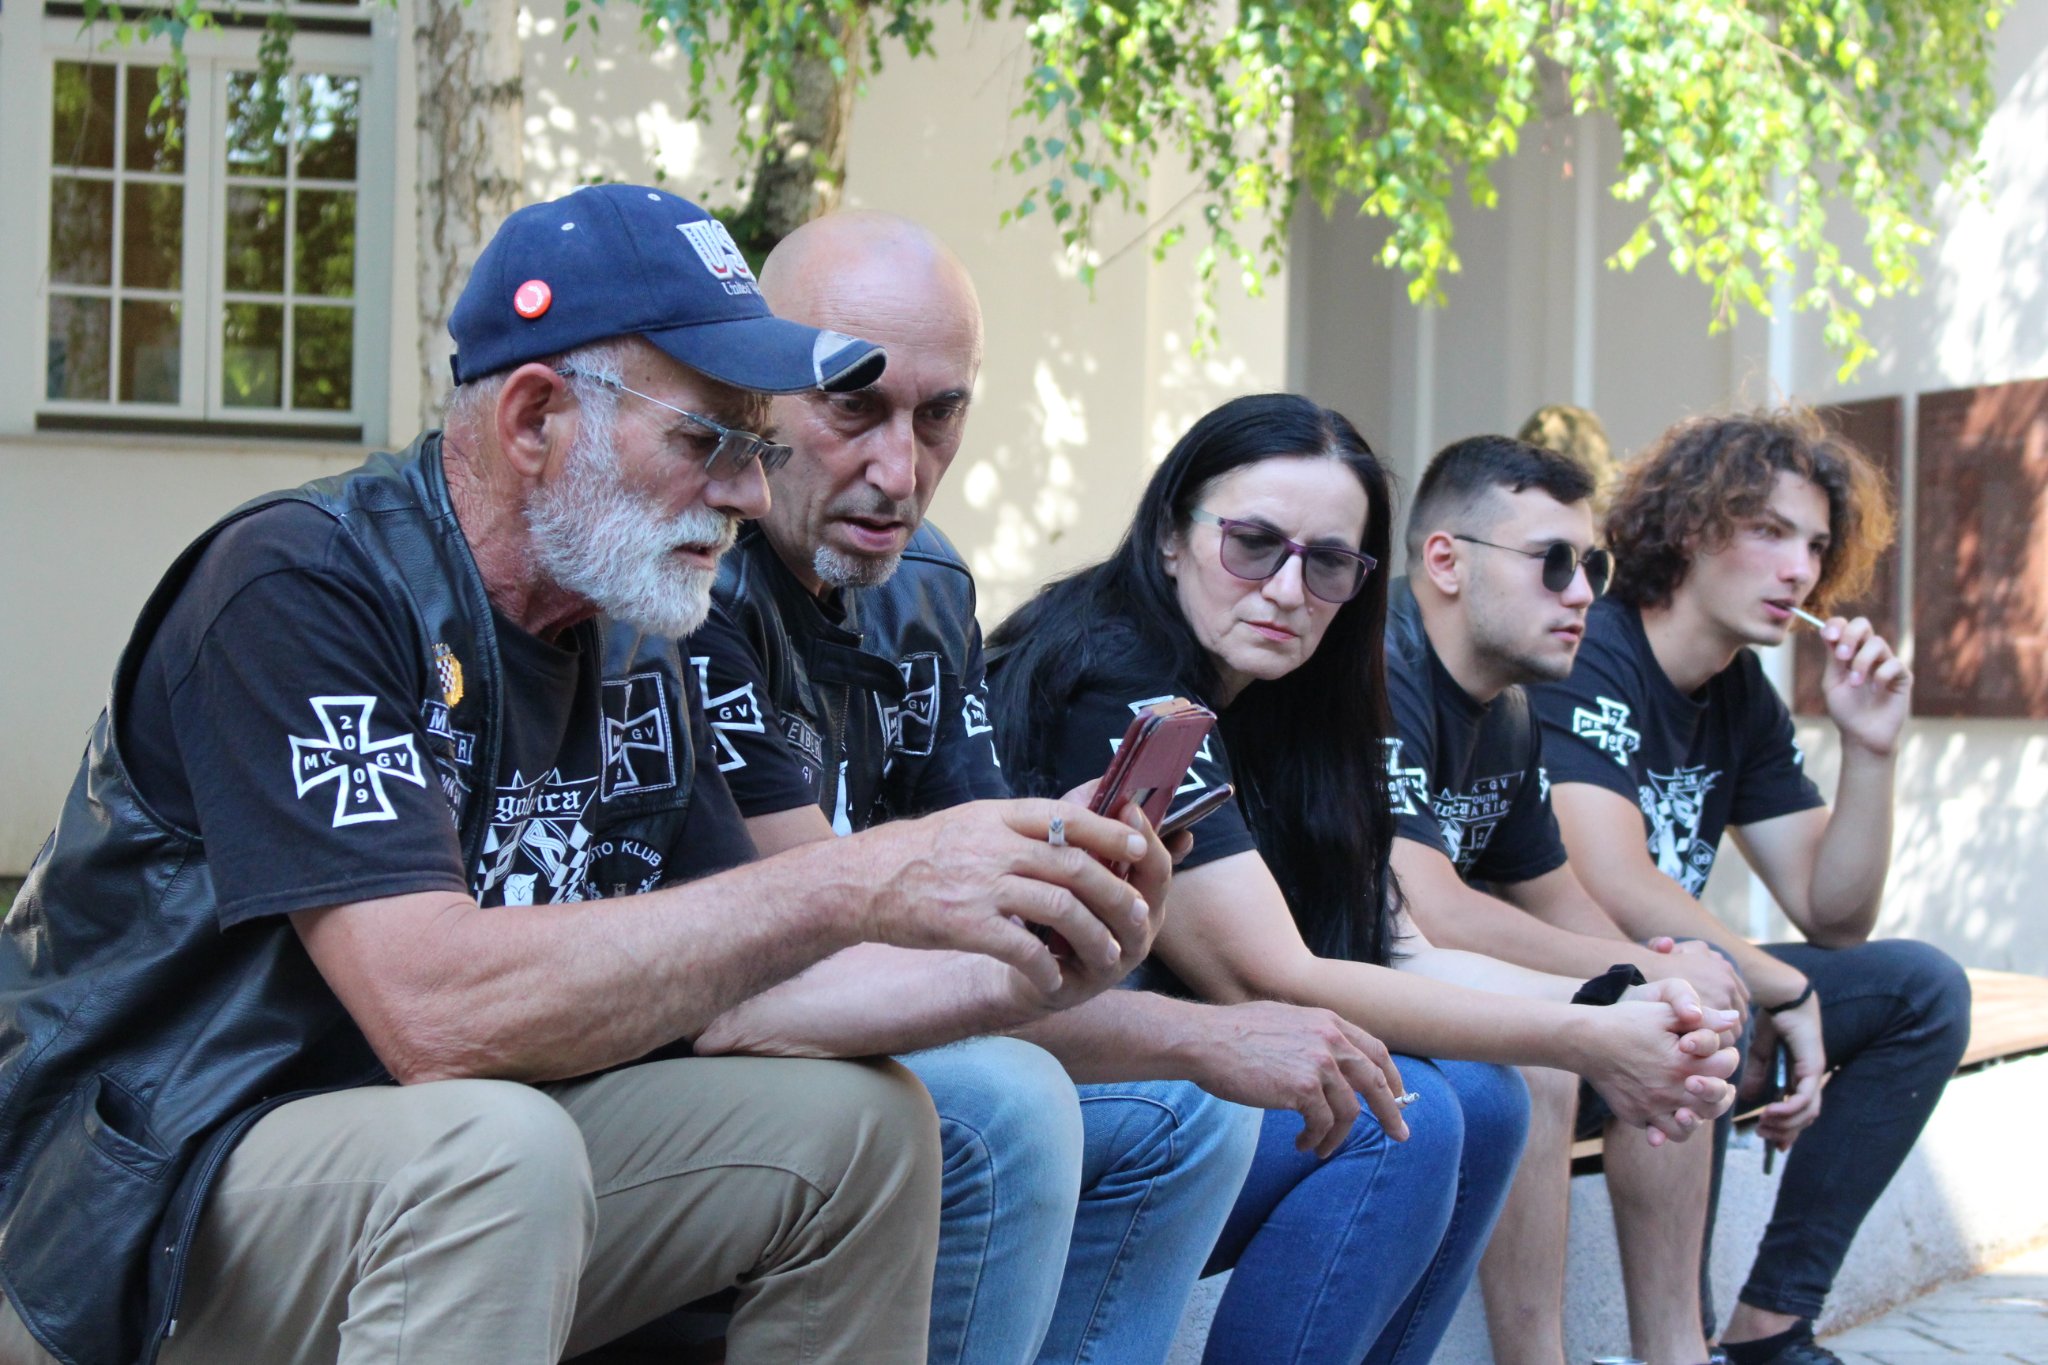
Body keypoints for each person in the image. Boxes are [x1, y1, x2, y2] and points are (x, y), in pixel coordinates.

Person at [0, 186, 1174, 1365]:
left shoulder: (627, 633)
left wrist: (1024, 960)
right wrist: (864, 877)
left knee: (860, 1128)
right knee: (495, 1149)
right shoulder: (301, 584)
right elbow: (434, 1014)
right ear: (533, 418)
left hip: (430, 1171)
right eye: (706, 441)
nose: (747, 494)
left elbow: (744, 996)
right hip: (140, 1202)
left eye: (758, 446)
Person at [988, 393, 1742, 1365]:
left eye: (1328, 563)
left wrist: (1622, 997)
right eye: (1253, 544)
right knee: (1397, 1119)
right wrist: (1590, 1037)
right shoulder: (1123, 678)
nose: (1286, 589)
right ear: (1172, 535)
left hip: (1163, 1082)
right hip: (1031, 1088)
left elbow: (1400, 948)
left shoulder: (1298, 702)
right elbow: (1263, 976)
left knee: (1488, 1099)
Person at [1531, 408, 1972, 1365]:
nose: (1799, 570)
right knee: (1700, 991)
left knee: (1920, 989)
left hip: (1680, 986)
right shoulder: (1590, 647)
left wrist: (1871, 748)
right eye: (1770, 531)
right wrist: (1781, 986)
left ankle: (1770, 1328)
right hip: (1558, 996)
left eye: (1814, 545)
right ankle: (1678, 1343)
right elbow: (1611, 877)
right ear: (1692, 525)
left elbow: (1833, 913)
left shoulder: (1740, 695)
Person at [1388, 433, 1753, 1365]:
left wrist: (1663, 975)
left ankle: (1677, 1351)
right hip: (1323, 978)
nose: (1584, 592)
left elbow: (1557, 896)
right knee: (1542, 1054)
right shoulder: (1378, 670)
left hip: (1419, 979)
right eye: (1553, 561)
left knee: (1675, 1013)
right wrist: (1632, 969)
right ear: (1446, 562)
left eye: (1593, 565)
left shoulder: (1505, 707)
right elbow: (1434, 909)